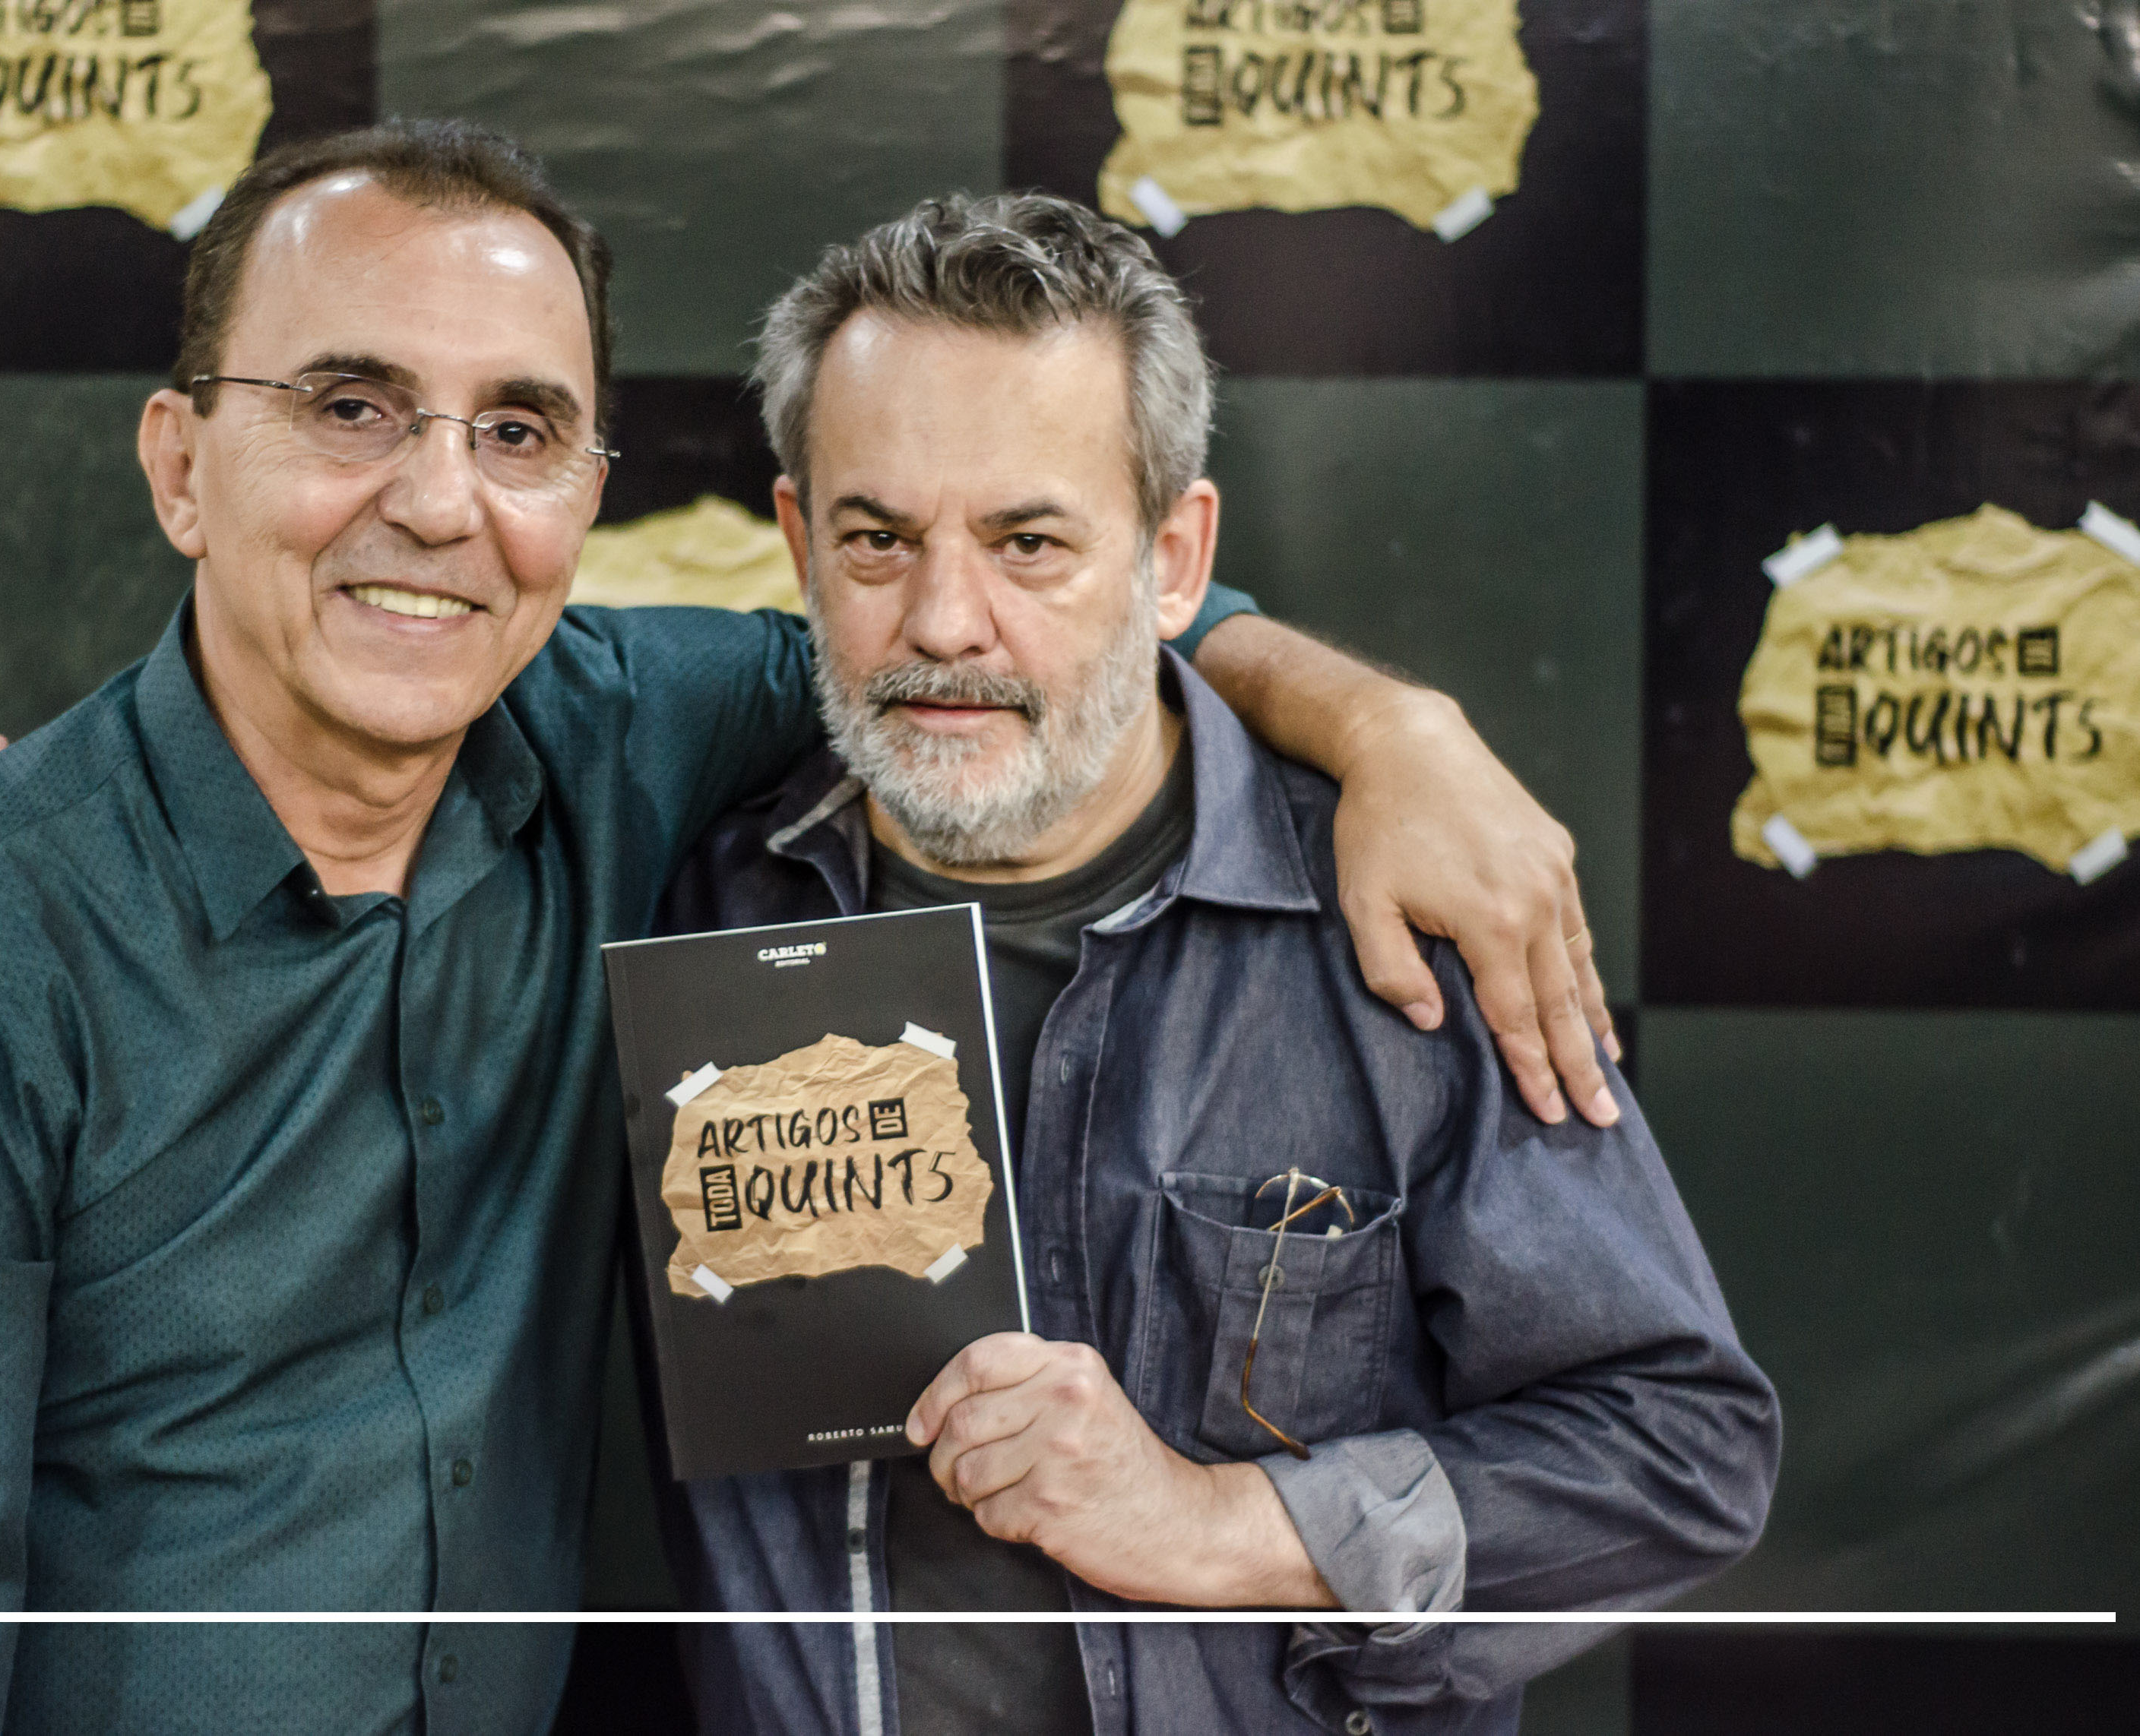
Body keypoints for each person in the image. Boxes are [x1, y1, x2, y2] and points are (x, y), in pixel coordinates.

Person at [0, 120, 1616, 1734]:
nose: (437, 501)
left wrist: (1392, 728)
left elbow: (1021, 631)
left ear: (588, 493)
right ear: (181, 464)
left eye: (519, 430)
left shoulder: (634, 732)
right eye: (348, 407)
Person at [651, 192, 1780, 1736]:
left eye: (1030, 543)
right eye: (878, 540)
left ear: (1174, 558)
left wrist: (1217, 1524)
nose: (944, 621)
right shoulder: (688, 897)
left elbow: (1679, 1452)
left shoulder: (1397, 924)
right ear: (799, 544)